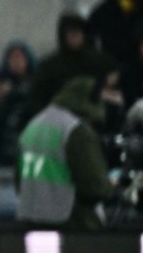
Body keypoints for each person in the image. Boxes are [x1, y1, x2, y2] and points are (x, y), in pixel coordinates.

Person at [16, 75, 114, 229]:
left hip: (31, 224)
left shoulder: (32, 127)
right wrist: (112, 186)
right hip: (72, 224)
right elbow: (95, 187)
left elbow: (19, 181)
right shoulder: (76, 131)